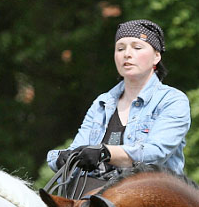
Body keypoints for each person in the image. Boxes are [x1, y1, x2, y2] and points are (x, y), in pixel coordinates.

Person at [46, 19, 190, 178]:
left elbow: (156, 153)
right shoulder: (102, 102)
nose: (127, 54)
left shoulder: (172, 100)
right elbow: (77, 148)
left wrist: (105, 153)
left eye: (137, 47)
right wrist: (62, 158)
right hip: (93, 194)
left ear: (156, 57)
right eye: (120, 48)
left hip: (150, 194)